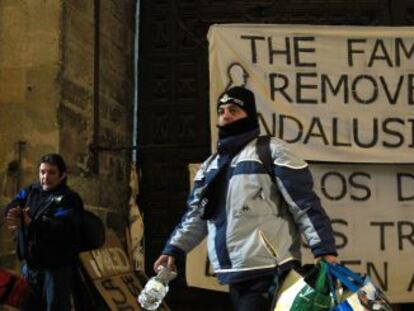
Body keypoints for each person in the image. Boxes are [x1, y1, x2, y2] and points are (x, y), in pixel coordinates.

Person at [154, 86, 337, 311]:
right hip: (233, 274)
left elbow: (304, 204)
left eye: (233, 110)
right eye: (221, 111)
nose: (226, 115)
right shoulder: (210, 167)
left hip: (272, 269)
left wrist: (324, 250)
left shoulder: (271, 150)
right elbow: (197, 216)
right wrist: (173, 249)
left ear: (249, 114)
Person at [4, 153, 84, 311]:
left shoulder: (69, 199)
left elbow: (61, 228)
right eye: (42, 172)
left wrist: (31, 223)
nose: (45, 177)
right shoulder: (31, 191)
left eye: (51, 172)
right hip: (31, 267)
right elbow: (14, 203)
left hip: (55, 270)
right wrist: (13, 214)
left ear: (62, 175)